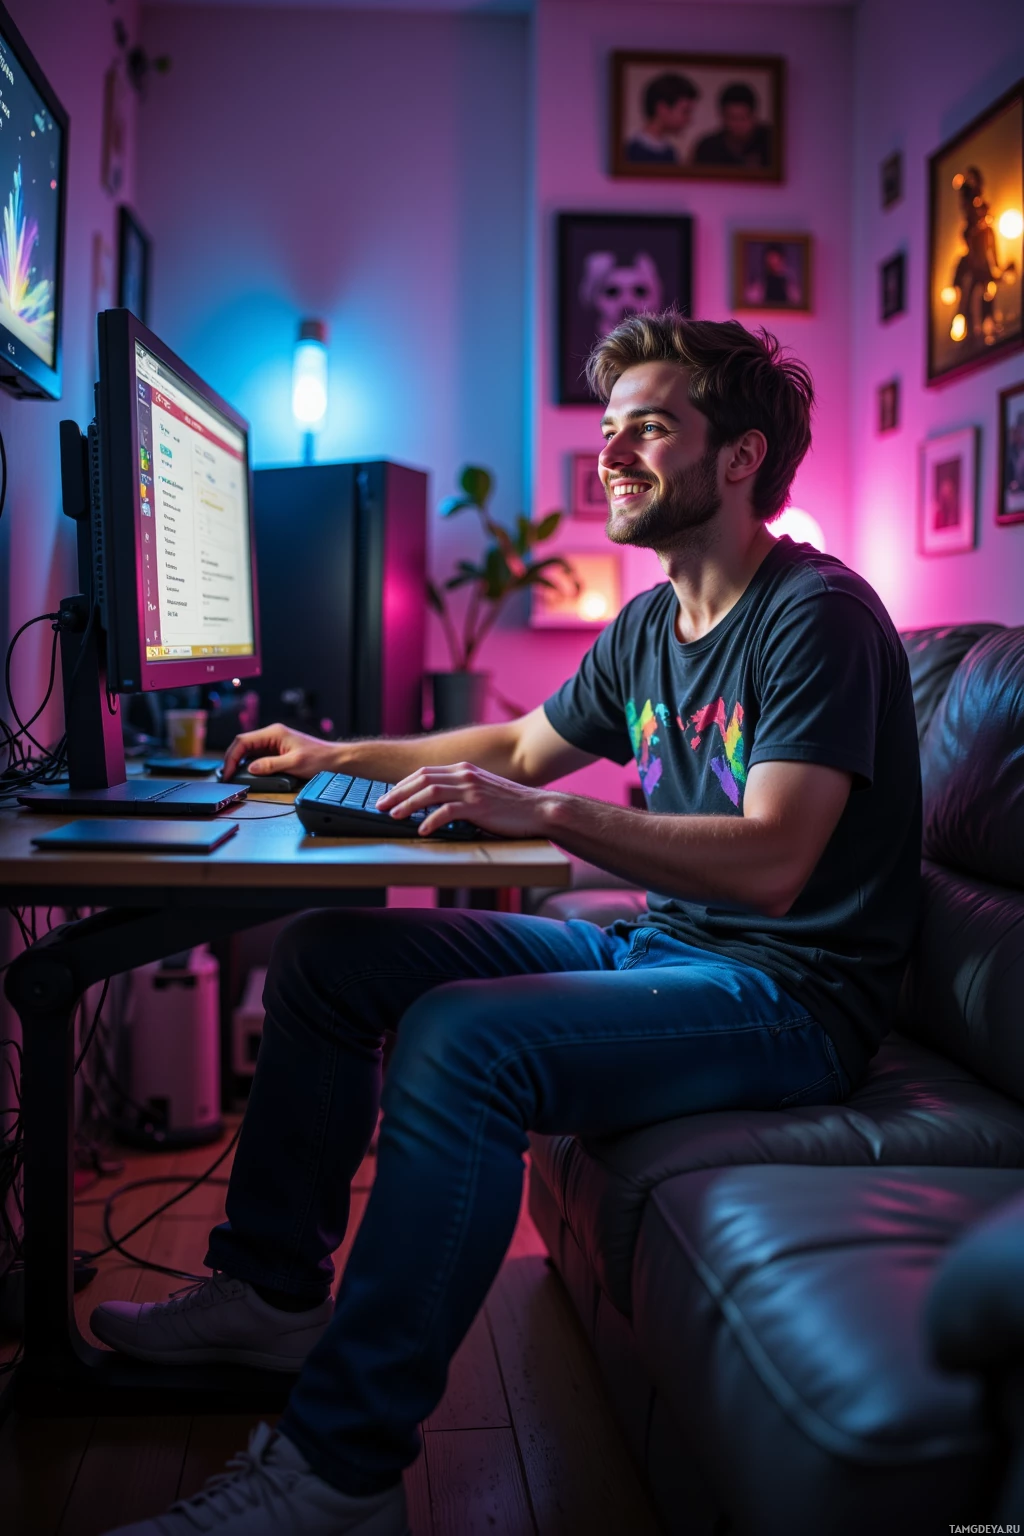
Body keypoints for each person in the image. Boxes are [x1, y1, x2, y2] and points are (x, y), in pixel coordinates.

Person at [94, 313, 921, 1536]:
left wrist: (545, 815)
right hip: (665, 950)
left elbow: (775, 863)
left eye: (650, 426)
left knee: (462, 1041)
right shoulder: (651, 626)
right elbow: (518, 745)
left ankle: (340, 1472)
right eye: (609, 428)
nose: (615, 453)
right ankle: (271, 1297)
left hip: (789, 998)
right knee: (330, 958)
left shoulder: (816, 616)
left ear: (741, 457)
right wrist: (337, 752)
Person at [694, 81, 773, 169]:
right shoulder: (708, 148)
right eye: (732, 118)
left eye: (743, 118)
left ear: (754, 116)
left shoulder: (771, 142)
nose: (738, 124)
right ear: (722, 117)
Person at [624, 71, 699, 163]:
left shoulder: (670, 153)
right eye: (685, 112)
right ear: (662, 109)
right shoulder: (629, 152)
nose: (689, 119)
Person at [744, 242, 801, 307]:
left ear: (782, 259)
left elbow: (797, 299)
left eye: (775, 260)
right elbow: (750, 299)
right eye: (770, 260)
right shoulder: (760, 280)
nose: (772, 264)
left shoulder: (790, 279)